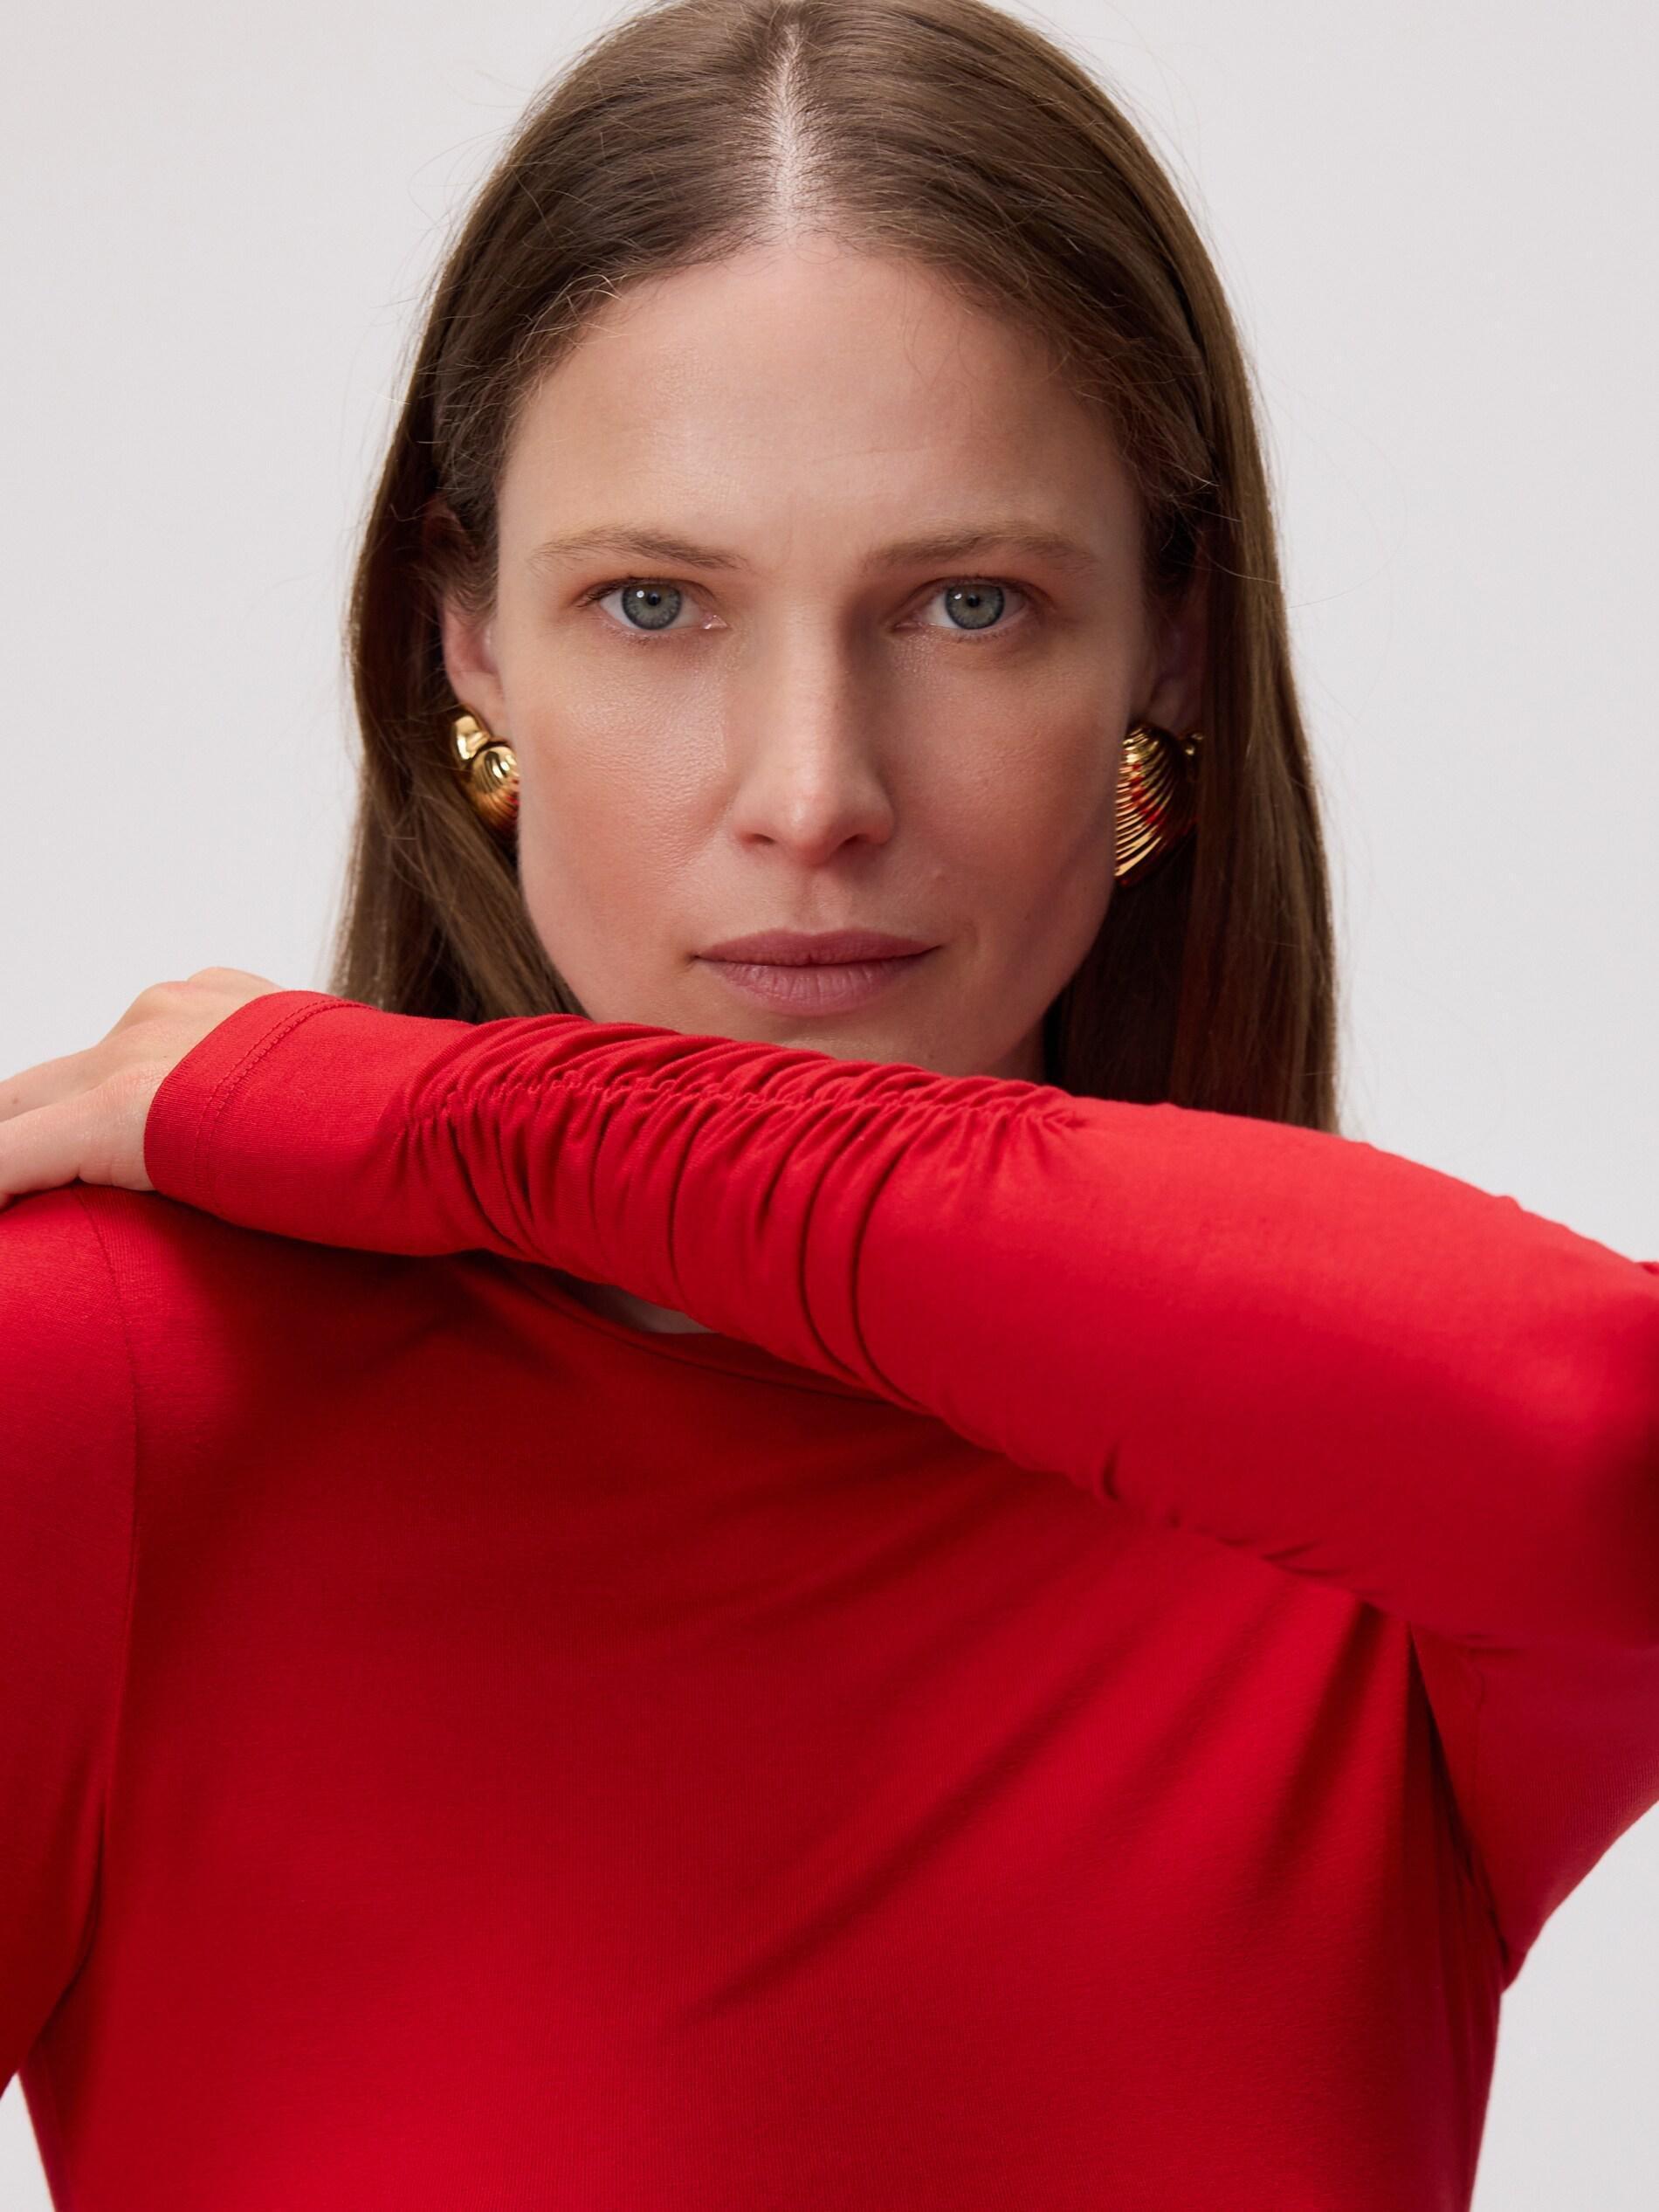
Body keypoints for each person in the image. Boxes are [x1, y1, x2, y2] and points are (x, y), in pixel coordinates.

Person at [2, 2, 1655, 2207]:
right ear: (467, 643)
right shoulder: (108, 1403)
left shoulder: (1355, 1509)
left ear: (1167, 645)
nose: (813, 794)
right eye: (653, 602)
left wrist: (482, 1121)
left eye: (969, 605)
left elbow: (1601, 1447)